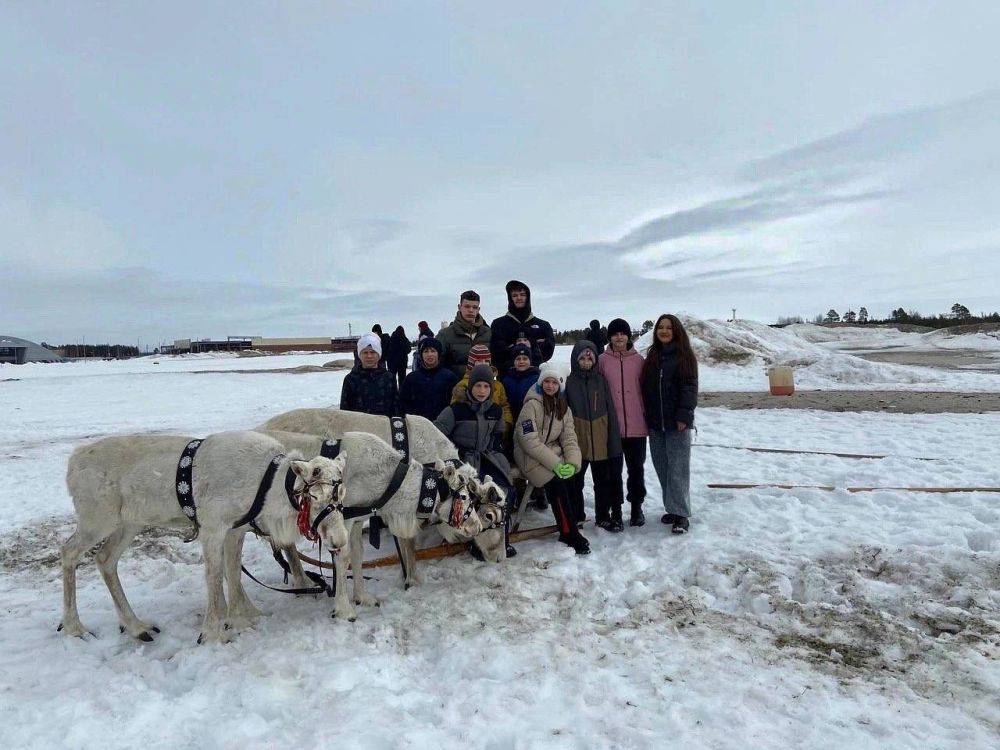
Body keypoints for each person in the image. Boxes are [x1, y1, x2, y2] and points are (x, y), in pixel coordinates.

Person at [434, 364, 517, 558]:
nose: (482, 391)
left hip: (487, 457)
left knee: (503, 491)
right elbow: (437, 437)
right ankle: (474, 540)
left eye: (486, 387)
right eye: (478, 386)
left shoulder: (495, 411)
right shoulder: (455, 410)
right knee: (473, 495)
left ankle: (499, 540)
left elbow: (497, 436)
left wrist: (498, 456)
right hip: (461, 461)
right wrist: (452, 459)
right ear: (470, 387)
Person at [514, 364, 590, 554]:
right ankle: (568, 532)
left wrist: (572, 463)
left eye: (554, 382)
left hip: (548, 454)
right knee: (556, 482)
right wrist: (556, 464)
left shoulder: (563, 407)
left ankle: (573, 520)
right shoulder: (531, 405)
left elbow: (569, 437)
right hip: (527, 456)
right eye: (546, 381)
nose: (550, 386)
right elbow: (528, 440)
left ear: (560, 386)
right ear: (541, 383)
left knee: (571, 478)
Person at [641, 314, 698, 534]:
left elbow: (690, 388)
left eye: (669, 328)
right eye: (660, 328)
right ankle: (672, 508)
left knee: (678, 469)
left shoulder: (684, 356)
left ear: (676, 331)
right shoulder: (652, 356)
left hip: (677, 424)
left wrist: (684, 416)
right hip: (656, 423)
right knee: (662, 467)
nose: (664, 331)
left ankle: (682, 514)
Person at [565, 340, 624, 532]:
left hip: (600, 440)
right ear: (575, 360)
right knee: (576, 481)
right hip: (578, 441)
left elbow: (611, 412)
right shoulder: (570, 382)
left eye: (589, 357)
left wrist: (613, 441)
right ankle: (577, 515)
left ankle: (602, 515)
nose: (585, 361)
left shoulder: (601, 380)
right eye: (581, 358)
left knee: (602, 482)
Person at [599, 318, 649, 527]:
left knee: (636, 469)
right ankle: (616, 511)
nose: (619, 337)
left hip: (637, 426)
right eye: (615, 334)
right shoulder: (602, 360)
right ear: (609, 337)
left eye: (623, 333)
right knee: (614, 473)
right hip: (613, 428)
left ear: (628, 336)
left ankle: (636, 508)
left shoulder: (639, 360)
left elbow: (647, 390)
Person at [489, 280, 555, 377]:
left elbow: (548, 351)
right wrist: (516, 347)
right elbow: (496, 353)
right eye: (515, 295)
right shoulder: (498, 324)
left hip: (535, 380)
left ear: (528, 297)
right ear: (510, 298)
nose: (519, 298)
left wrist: (532, 345)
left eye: (522, 294)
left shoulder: (543, 325)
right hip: (507, 380)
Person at [450, 344, 513, 436]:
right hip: (472, 434)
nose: (483, 363)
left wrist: (505, 424)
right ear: (472, 363)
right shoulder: (462, 385)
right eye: (479, 361)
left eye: (486, 361)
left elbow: (504, 405)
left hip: (495, 433)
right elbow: (455, 410)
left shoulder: (498, 385)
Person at [340, 332, 399, 417]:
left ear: (379, 354)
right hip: (358, 427)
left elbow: (396, 407)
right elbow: (344, 411)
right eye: (365, 352)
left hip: (384, 427)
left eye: (373, 352)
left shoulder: (389, 378)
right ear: (359, 355)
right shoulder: (351, 379)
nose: (369, 356)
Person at [399, 337, 458, 421]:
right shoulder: (412, 378)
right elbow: (403, 403)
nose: (429, 354)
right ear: (421, 354)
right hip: (417, 424)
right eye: (426, 351)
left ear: (438, 353)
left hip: (442, 425)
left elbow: (454, 405)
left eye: (433, 351)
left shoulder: (449, 377)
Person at [438, 290, 491, 378]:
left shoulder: (488, 333)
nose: (471, 310)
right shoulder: (445, 335)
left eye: (474, 307)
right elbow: (438, 365)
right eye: (467, 306)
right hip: (453, 387)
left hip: (483, 388)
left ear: (478, 309)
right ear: (459, 307)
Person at [500, 343, 540, 422]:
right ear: (513, 361)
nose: (521, 361)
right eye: (518, 359)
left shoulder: (536, 379)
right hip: (511, 418)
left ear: (530, 360)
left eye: (525, 358)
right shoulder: (507, 380)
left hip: (530, 419)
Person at [386, 325, 410, 390]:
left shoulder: (391, 339)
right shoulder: (404, 339)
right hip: (402, 362)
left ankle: (393, 392)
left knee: (392, 378)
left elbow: (387, 350)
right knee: (402, 378)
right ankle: (402, 392)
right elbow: (409, 349)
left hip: (392, 362)